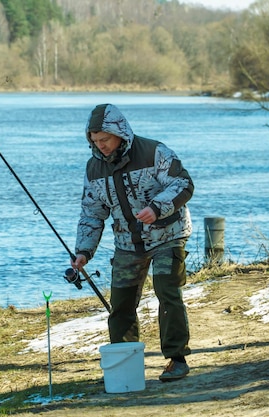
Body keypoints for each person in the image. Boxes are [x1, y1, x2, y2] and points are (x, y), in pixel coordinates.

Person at [71, 103, 195, 382]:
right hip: (127, 244)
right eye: (95, 141)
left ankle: (177, 359)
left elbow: (184, 184)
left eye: (105, 139)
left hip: (168, 235)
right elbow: (92, 213)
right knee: (121, 305)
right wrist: (83, 252)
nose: (100, 146)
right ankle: (126, 365)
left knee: (167, 292)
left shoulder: (155, 152)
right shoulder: (93, 169)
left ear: (120, 133)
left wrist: (156, 208)